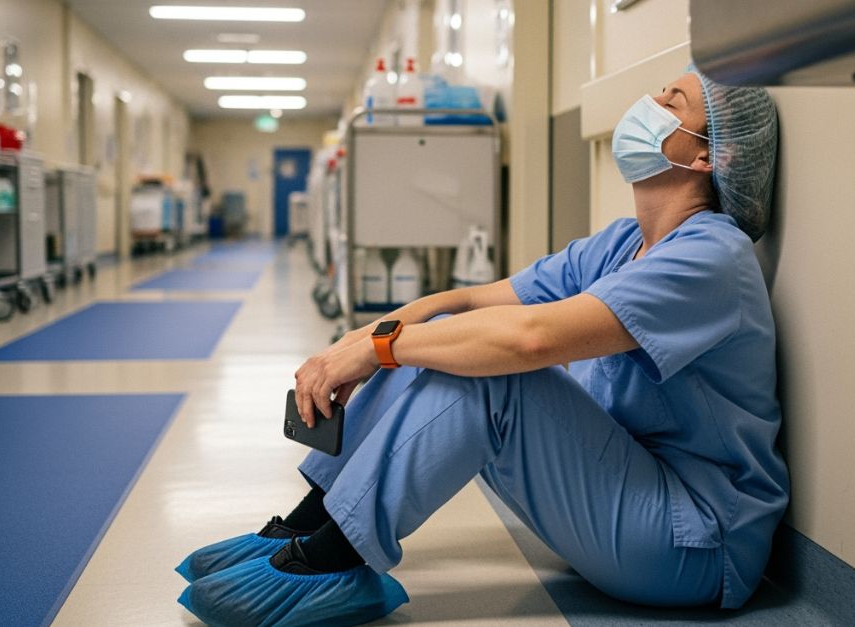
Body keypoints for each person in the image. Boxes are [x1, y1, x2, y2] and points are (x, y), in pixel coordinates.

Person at [176, 66, 789, 626]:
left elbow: (528, 338)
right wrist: (363, 339)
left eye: (671, 101)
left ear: (709, 156)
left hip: (698, 544)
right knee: (435, 342)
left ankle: (333, 558)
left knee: (488, 369)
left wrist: (385, 349)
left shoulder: (711, 254)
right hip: (635, 499)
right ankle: (315, 519)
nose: (648, 101)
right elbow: (469, 302)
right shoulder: (622, 244)